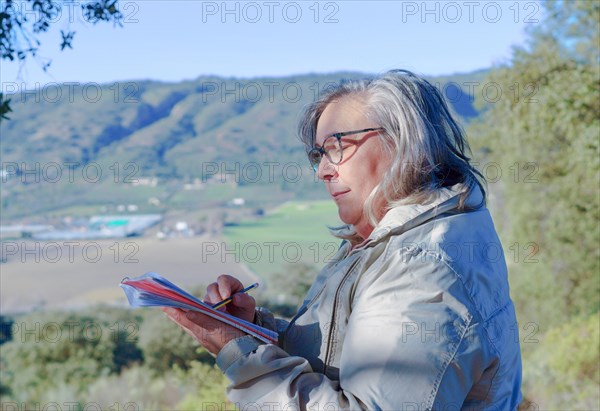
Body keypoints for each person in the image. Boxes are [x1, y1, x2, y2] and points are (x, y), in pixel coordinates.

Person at [163, 70, 523, 410]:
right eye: (318, 154)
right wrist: (254, 330)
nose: (322, 170)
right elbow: (341, 351)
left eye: (337, 146)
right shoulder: (389, 240)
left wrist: (239, 354)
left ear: (404, 143)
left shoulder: (419, 266)